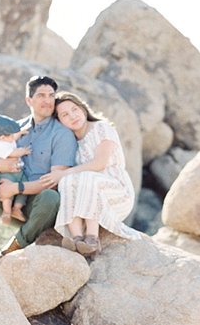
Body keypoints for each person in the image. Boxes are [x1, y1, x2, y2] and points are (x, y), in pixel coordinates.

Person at [0, 75, 78, 257]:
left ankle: (13, 246)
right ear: (29, 100)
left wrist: (16, 188)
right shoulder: (14, 129)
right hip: (6, 198)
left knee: (51, 197)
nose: (48, 101)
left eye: (51, 95)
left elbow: (55, 182)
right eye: (41, 95)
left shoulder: (62, 134)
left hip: (38, 206)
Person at [38, 91, 140, 255]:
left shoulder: (102, 128)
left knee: (83, 176)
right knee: (66, 181)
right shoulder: (70, 142)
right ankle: (77, 238)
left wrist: (64, 174)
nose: (72, 116)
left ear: (83, 109)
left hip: (117, 192)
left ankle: (92, 238)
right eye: (65, 115)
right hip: (88, 196)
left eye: (74, 109)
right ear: (60, 122)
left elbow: (100, 163)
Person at [0, 114, 31, 225]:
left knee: (24, 188)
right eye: (10, 135)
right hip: (6, 173)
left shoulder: (6, 139)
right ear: (2, 137)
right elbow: (12, 153)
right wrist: (23, 151)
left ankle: (17, 208)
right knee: (7, 192)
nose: (13, 137)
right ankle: (7, 211)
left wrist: (20, 132)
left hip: (18, 172)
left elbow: (13, 137)